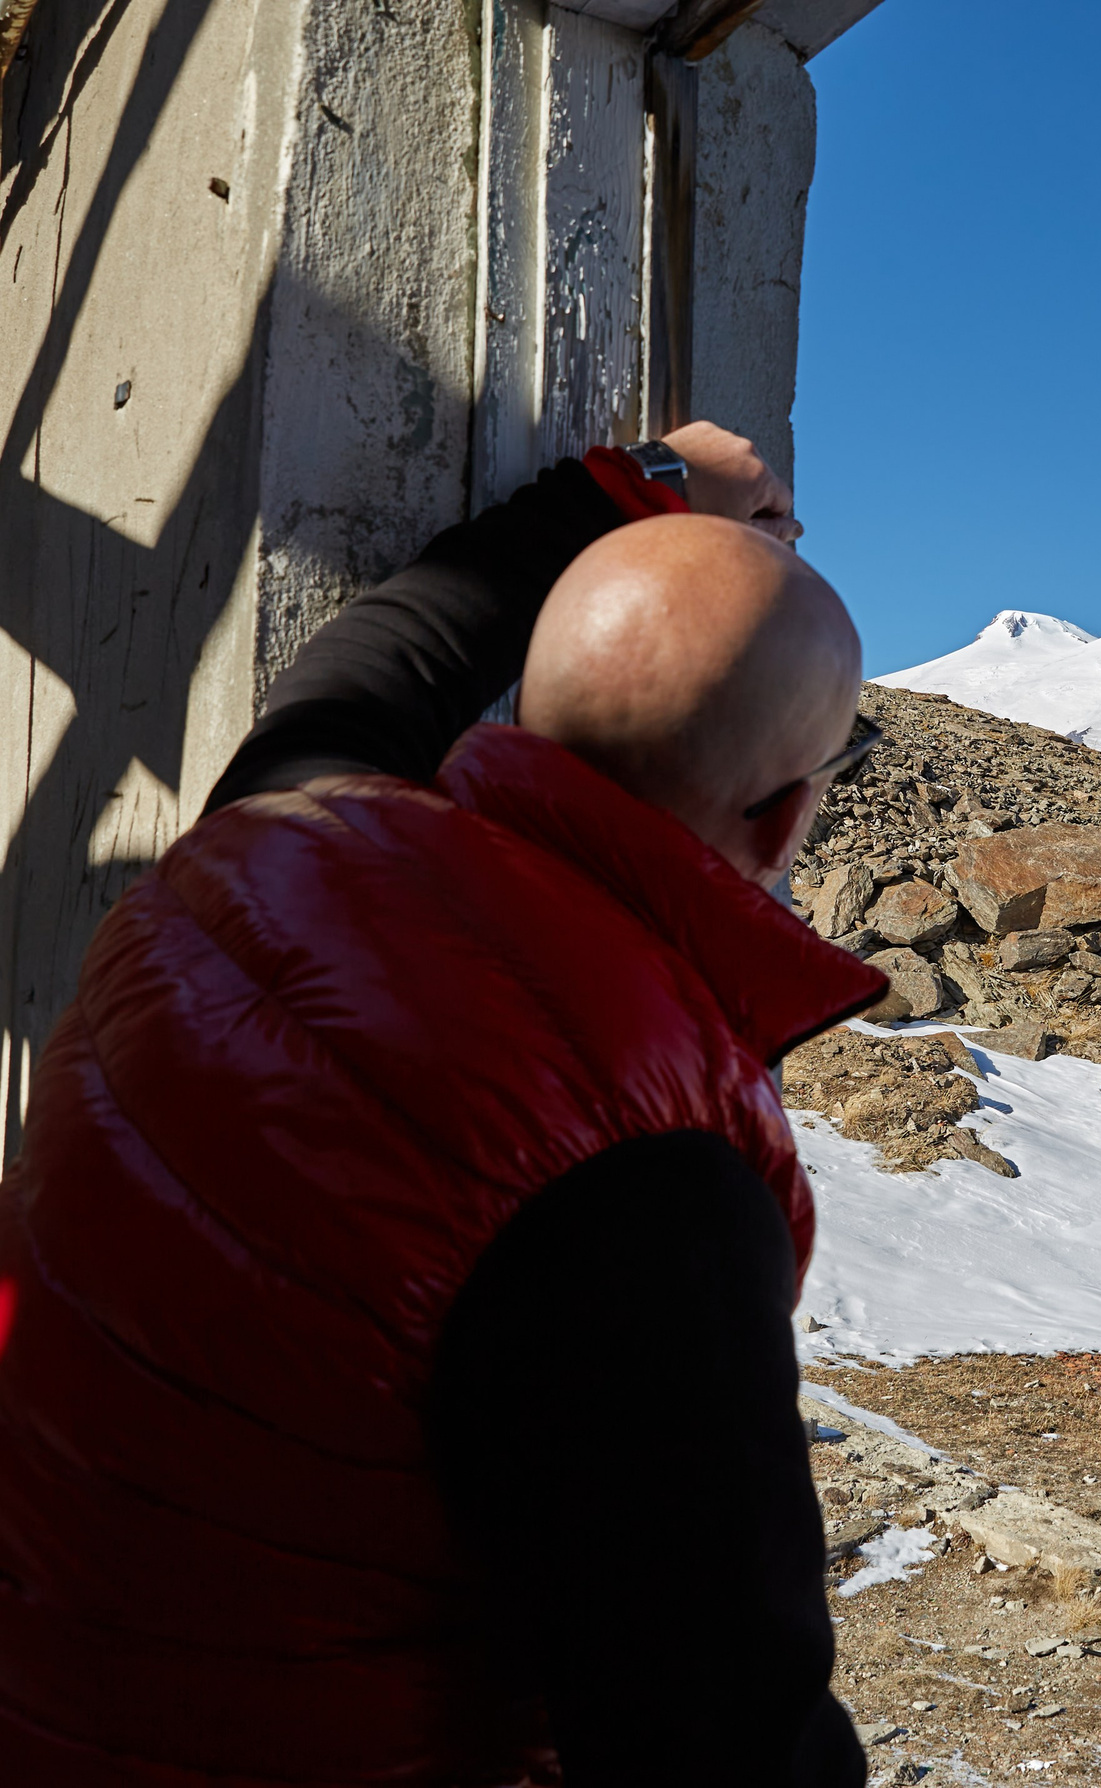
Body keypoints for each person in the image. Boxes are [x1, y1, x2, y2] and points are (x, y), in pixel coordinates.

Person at [0, 422, 888, 1786]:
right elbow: (717, 1737)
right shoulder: (642, 1181)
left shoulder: (264, 848)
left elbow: (382, 661)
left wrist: (648, 484)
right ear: (782, 821)